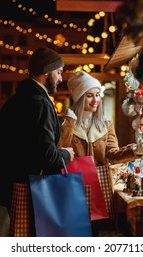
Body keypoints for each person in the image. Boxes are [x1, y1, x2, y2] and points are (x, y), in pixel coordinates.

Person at [0, 47, 75, 236]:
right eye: (58, 72)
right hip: (33, 190)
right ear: (46, 71)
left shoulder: (15, 100)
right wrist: (67, 154)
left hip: (13, 188)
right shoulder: (40, 103)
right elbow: (47, 156)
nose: (60, 79)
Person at [59, 70, 138, 236]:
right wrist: (69, 124)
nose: (95, 100)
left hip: (99, 183)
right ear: (79, 97)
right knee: (72, 231)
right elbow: (60, 150)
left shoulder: (105, 124)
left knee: (95, 231)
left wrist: (136, 150)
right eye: (89, 95)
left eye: (97, 94)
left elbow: (113, 154)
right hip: (73, 182)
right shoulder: (65, 122)